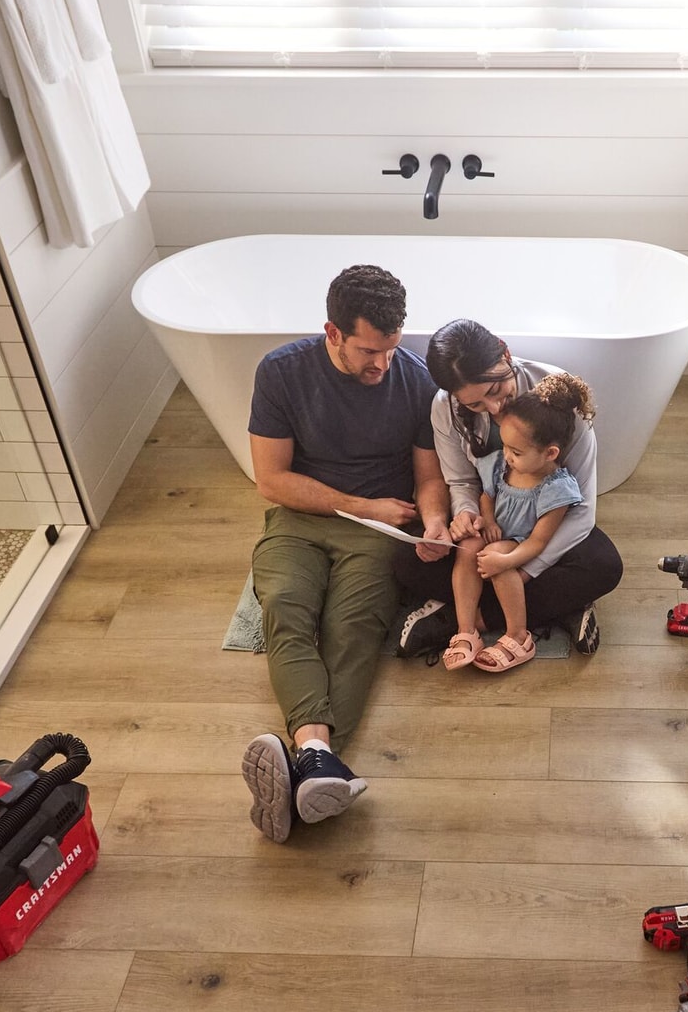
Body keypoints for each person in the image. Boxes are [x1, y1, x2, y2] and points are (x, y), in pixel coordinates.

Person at [240, 264, 451, 844]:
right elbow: (272, 480)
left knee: (354, 627)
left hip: (382, 527)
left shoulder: (414, 380)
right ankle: (320, 764)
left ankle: (308, 758)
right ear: (331, 332)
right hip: (304, 515)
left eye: (391, 348)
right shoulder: (281, 372)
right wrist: (365, 505)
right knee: (286, 606)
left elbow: (428, 477)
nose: (381, 365)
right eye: (367, 351)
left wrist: (432, 521)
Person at [395, 319, 623, 656]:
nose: (495, 409)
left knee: (603, 565)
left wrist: (520, 567)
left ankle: (470, 620)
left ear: (505, 353)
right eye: (474, 405)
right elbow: (461, 481)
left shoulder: (559, 401)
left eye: (494, 391)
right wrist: (466, 516)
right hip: (490, 529)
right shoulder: (444, 407)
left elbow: (582, 511)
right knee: (406, 561)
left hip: (543, 527)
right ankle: (558, 609)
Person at [443, 374, 593, 673]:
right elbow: (486, 494)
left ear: (550, 453)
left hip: (520, 541)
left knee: (494, 555)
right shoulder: (501, 464)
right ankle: (466, 630)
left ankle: (518, 636)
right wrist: (486, 518)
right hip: (494, 528)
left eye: (517, 452)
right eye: (507, 447)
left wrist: (507, 561)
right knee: (468, 545)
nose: (507, 456)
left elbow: (538, 542)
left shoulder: (556, 488)